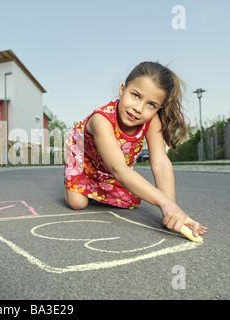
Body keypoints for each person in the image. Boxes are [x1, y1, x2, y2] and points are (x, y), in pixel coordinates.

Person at [64, 61, 207, 238]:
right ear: (122, 90)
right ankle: (74, 180)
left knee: (131, 201)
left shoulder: (152, 121)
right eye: (136, 95)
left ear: (158, 108)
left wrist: (171, 209)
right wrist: (162, 202)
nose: (138, 108)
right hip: (84, 158)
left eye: (151, 105)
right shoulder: (101, 120)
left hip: (110, 165)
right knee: (78, 202)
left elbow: (160, 162)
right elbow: (119, 168)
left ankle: (98, 183)